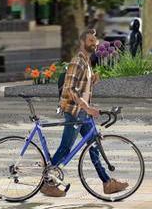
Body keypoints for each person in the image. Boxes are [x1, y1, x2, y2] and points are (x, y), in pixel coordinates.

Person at [46, 37, 127, 199]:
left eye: (95, 41)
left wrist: (92, 81)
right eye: (91, 40)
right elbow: (70, 89)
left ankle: (107, 183)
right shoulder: (78, 62)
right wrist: (87, 108)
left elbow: (81, 87)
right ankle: (47, 183)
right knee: (65, 148)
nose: (95, 43)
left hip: (82, 113)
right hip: (76, 112)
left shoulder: (86, 63)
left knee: (94, 145)